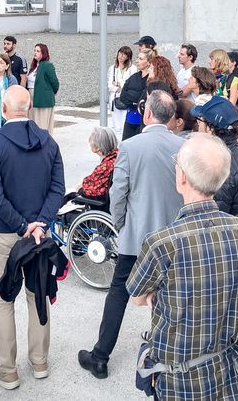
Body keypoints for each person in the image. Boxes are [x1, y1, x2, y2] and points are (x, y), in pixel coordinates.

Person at [126, 133, 238, 401]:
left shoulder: (162, 242)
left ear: (181, 176)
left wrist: (155, 295)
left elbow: (136, 297)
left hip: (179, 381)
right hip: (228, 370)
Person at [78, 91, 184, 379]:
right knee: (168, 294)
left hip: (136, 236)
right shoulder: (181, 145)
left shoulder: (131, 146)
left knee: (118, 292)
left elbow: (118, 192)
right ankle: (163, 352)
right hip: (172, 235)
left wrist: (121, 225)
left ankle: (101, 356)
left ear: (148, 114)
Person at [0, 86, 65, 390]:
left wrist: (21, 226)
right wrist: (40, 224)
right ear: (28, 109)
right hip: (40, 236)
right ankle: (40, 361)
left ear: (4, 109)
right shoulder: (49, 142)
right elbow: (58, 188)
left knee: (3, 298)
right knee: (37, 294)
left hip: (5, 232)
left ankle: (7, 370)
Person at [192, 95, 238, 225]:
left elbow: (212, 219)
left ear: (210, 129)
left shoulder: (215, 164)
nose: (197, 126)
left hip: (224, 240)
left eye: (200, 121)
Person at [62, 126, 119, 205]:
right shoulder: (117, 157)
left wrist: (81, 189)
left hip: (99, 202)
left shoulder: (105, 167)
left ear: (98, 147)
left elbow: (91, 190)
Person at [118, 49, 151, 141]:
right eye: (137, 58)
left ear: (149, 62)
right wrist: (136, 100)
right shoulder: (133, 77)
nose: (137, 61)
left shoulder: (152, 79)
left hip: (145, 120)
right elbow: (123, 96)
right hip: (131, 118)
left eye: (140, 59)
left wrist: (133, 95)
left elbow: (145, 98)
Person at [27, 43, 60, 134]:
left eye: (38, 51)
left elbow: (55, 82)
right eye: (34, 50)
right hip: (32, 98)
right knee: (32, 122)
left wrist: (52, 92)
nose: (35, 53)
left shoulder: (47, 65)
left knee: (41, 124)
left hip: (42, 99)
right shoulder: (34, 66)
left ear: (43, 53)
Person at [108, 46, 136, 136]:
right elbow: (109, 85)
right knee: (116, 127)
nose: (121, 56)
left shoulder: (132, 68)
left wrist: (118, 83)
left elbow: (131, 84)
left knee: (124, 125)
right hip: (115, 99)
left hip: (127, 100)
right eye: (120, 53)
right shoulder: (112, 68)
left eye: (124, 55)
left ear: (128, 57)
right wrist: (120, 86)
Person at [0, 53, 18, 129]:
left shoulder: (11, 79)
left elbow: (15, 97)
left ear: (7, 66)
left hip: (7, 111)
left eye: (1, 63)